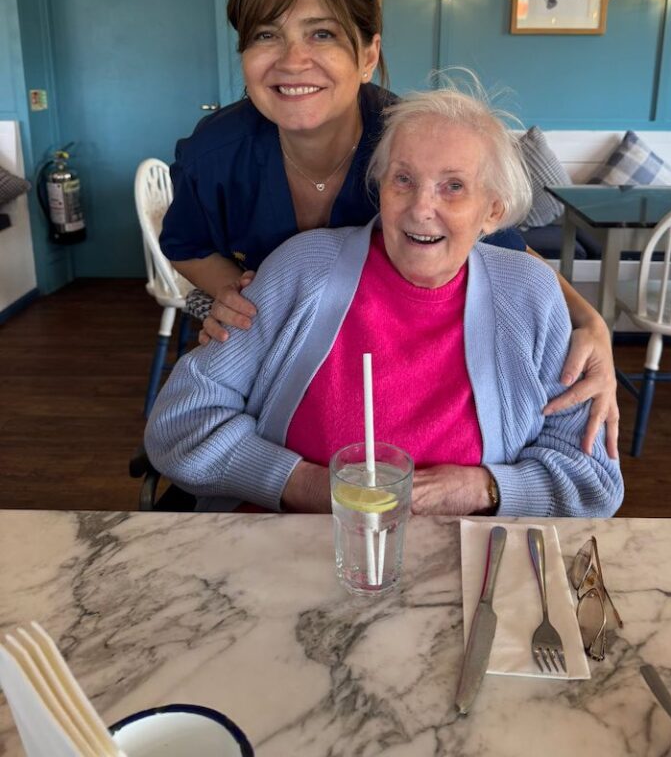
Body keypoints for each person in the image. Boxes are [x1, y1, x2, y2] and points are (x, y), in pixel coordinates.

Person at [159, 0, 618, 457]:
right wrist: (245, 302)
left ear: (368, 54)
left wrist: (590, 322)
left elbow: (500, 246)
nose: (292, 60)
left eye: (322, 34)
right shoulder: (216, 152)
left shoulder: (408, 148)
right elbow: (185, 245)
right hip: (275, 373)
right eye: (266, 34)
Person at [146, 87, 623, 518]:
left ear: (493, 210)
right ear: (381, 188)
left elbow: (594, 481)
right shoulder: (301, 268)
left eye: (453, 186)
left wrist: (484, 489)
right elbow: (180, 426)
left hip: (463, 559)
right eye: (403, 180)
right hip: (290, 543)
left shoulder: (529, 294)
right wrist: (306, 486)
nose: (420, 208)